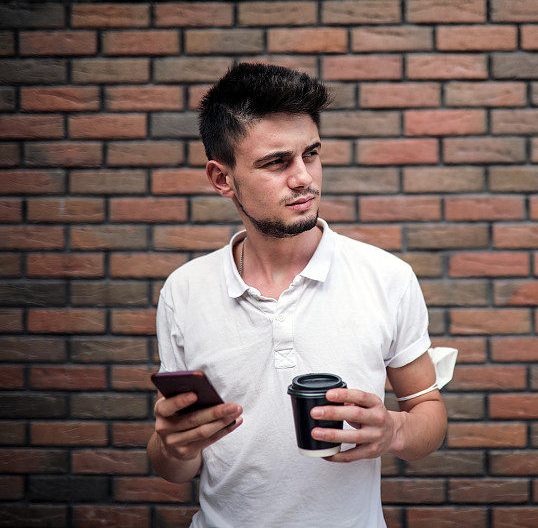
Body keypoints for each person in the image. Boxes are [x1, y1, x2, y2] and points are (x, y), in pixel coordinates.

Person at [146, 63, 448, 527]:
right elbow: (174, 466)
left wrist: (395, 430)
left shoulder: (387, 277)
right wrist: (171, 447)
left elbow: (429, 413)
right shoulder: (184, 292)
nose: (304, 177)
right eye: (276, 162)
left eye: (312, 154)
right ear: (221, 178)